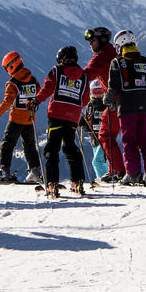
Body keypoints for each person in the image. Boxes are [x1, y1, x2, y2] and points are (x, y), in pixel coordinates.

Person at [106, 30, 146, 186]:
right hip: (144, 105)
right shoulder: (145, 61)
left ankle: (133, 174)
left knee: (129, 141)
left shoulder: (117, 63)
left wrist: (107, 100)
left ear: (120, 46)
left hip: (126, 107)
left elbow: (114, 87)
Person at [36, 45, 92, 197]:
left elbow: (47, 88)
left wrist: (35, 101)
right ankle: (77, 182)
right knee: (70, 148)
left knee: (52, 149)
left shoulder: (57, 71)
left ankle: (51, 184)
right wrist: (74, 108)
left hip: (56, 115)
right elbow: (85, 99)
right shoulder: (84, 76)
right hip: (72, 117)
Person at [0, 52, 43, 183]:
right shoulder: (33, 80)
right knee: (29, 145)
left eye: (6, 68)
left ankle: (3, 170)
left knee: (7, 143)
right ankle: (35, 171)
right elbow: (40, 94)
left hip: (16, 119)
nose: (7, 71)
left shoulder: (13, 83)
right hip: (30, 119)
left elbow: (7, 101)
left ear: (11, 66)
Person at [84, 27, 125, 182]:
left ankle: (117, 171)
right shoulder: (114, 52)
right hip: (131, 99)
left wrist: (66, 80)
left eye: (92, 40)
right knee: (137, 138)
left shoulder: (101, 57)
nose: (89, 43)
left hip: (116, 101)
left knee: (105, 135)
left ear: (100, 40)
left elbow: (85, 75)